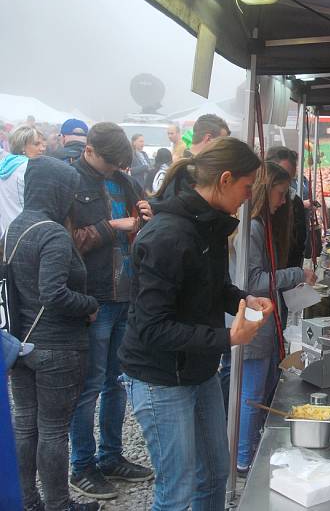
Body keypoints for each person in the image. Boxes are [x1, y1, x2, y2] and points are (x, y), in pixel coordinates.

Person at [118, 136, 271, 511]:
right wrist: (227, 337)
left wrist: (241, 299)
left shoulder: (211, 225)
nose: (248, 196)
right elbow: (152, 327)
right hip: (158, 378)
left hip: (197, 370)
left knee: (215, 475)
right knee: (177, 490)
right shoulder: (167, 234)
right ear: (225, 179)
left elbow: (211, 286)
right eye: (246, 187)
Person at [8, 156, 100, 511]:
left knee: (26, 426)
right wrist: (89, 303)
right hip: (57, 348)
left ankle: (28, 502)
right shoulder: (53, 233)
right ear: (59, 191)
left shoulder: (16, 226)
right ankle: (59, 505)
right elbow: (53, 293)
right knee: (52, 430)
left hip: (21, 345)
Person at [68, 123, 153, 500]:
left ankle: (111, 456)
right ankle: (81, 465)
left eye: (119, 163)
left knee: (117, 382)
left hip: (126, 293)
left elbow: (145, 215)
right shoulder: (70, 180)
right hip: (95, 297)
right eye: (108, 161)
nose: (112, 168)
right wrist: (110, 226)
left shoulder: (124, 179)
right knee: (89, 387)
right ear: (88, 150)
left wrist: (149, 211)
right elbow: (67, 240)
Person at [232, 161, 316, 472]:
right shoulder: (251, 227)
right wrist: (296, 274)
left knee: (260, 387)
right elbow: (252, 281)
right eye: (280, 194)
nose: (283, 202)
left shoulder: (259, 225)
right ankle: (242, 457)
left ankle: (249, 448)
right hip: (254, 322)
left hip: (264, 320)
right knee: (252, 393)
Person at [0, 126, 46, 240]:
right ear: (22, 147)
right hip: (26, 234)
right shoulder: (30, 168)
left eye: (42, 144)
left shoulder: (5, 164)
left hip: (6, 232)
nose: (42, 148)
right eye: (36, 144)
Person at [265, 147, 307, 268]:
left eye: (290, 178)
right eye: (282, 175)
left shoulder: (295, 202)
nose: (287, 184)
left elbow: (299, 244)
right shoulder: (252, 217)